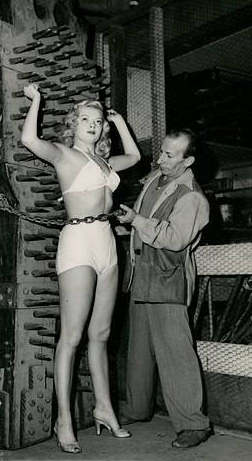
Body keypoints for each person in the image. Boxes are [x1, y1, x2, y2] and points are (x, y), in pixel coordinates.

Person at [21, 83, 140, 453]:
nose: (92, 124)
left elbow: (134, 157)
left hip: (107, 242)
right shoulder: (64, 155)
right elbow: (29, 140)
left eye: (98, 120)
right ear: (74, 125)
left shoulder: (106, 162)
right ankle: (64, 420)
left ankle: (105, 409)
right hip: (78, 243)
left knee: (101, 335)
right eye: (86, 119)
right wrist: (37, 101)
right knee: (71, 337)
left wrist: (119, 123)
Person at [117, 128, 212, 449]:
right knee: (139, 351)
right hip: (141, 276)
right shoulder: (155, 180)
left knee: (176, 354)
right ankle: (136, 408)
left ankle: (194, 424)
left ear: (189, 161)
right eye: (162, 152)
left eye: (169, 155)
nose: (160, 159)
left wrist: (135, 222)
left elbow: (174, 238)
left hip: (168, 280)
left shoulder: (192, 197)